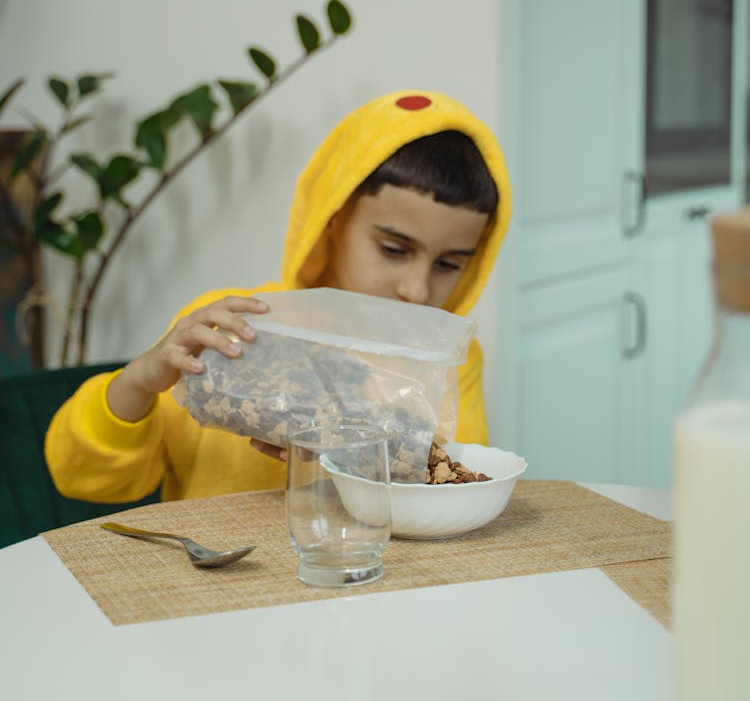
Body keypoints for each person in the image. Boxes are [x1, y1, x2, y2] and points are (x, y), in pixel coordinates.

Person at [45, 89, 512, 503]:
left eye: (449, 263)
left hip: (368, 583)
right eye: (393, 249)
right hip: (211, 588)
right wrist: (140, 380)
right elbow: (87, 481)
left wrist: (349, 457)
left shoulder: (448, 360)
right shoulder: (229, 328)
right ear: (333, 224)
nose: (417, 289)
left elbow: (450, 492)